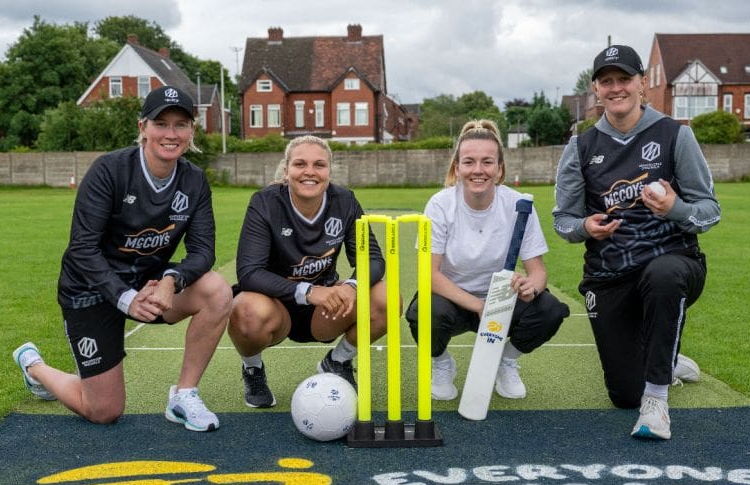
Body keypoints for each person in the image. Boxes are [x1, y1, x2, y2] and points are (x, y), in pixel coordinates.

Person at [12, 86, 231, 432]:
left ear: (192, 132)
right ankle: (34, 367)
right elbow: (82, 248)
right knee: (104, 411)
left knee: (217, 291)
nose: (171, 134)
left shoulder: (194, 180)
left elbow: (203, 251)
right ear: (142, 126)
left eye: (180, 125)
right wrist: (126, 298)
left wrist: (171, 281)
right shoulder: (109, 171)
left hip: (149, 283)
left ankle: (184, 396)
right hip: (90, 288)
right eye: (161, 123)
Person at [553, 45, 721, 440]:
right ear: (596, 89)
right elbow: (562, 220)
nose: (616, 88)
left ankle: (657, 401)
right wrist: (585, 228)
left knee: (663, 274)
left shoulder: (676, 135)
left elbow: (711, 211)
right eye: (606, 81)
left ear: (641, 83)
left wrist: (676, 209)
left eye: (624, 79)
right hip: (609, 276)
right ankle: (666, 357)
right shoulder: (581, 146)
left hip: (673, 263)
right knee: (624, 394)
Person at [405, 119, 570, 402]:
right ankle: (442, 364)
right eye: (469, 162)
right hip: (453, 301)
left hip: (502, 299)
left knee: (550, 310)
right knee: (425, 312)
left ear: (500, 169)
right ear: (457, 168)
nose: (478, 170)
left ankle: (505, 362)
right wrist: (480, 307)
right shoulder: (440, 205)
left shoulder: (519, 205)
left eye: (487, 162)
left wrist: (531, 286)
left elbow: (538, 272)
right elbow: (428, 275)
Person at [227, 135, 388, 408]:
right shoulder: (265, 202)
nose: (310, 172)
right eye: (300, 164)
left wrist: (351, 285)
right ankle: (253, 369)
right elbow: (249, 272)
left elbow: (372, 258)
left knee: (385, 296)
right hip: (274, 305)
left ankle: (337, 362)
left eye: (319, 165)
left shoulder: (345, 201)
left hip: (324, 311)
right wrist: (308, 291)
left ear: (329, 171)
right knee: (245, 310)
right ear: (287, 169)